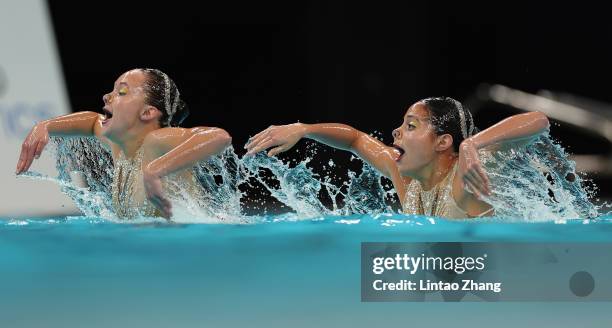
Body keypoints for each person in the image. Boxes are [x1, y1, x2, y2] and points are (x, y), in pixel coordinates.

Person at [245, 97, 549, 218]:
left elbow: (538, 120)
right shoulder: (405, 175)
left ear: (444, 142)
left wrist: (471, 145)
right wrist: (304, 128)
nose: (396, 131)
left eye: (411, 126)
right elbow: (355, 139)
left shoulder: (462, 178)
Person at [16, 68, 232, 219]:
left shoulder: (157, 142)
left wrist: (155, 169)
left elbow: (219, 137)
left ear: (147, 112)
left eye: (121, 92)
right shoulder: (120, 144)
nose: (106, 96)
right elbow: (92, 122)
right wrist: (45, 126)